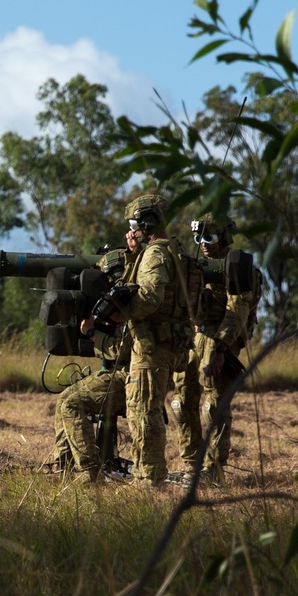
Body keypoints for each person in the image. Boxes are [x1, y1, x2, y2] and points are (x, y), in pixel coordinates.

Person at [111, 194, 193, 487]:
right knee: (146, 411)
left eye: (135, 223)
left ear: (147, 221)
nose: (132, 230)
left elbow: (150, 296)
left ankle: (150, 482)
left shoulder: (156, 254)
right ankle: (150, 477)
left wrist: (122, 314)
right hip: (166, 344)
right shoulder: (174, 251)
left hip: (151, 347)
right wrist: (134, 254)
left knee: (144, 414)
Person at [170, 214, 253, 485]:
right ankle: (191, 464)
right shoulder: (196, 265)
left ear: (224, 237)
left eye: (209, 238)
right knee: (181, 403)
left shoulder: (238, 267)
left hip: (219, 341)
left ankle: (213, 470)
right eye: (198, 238)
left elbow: (237, 310)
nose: (203, 243)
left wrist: (221, 348)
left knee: (213, 406)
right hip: (193, 340)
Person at [50, 249, 132, 483]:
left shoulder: (131, 303)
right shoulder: (118, 304)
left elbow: (120, 351)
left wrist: (93, 333)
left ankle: (88, 471)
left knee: (71, 403)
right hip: (121, 374)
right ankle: (63, 469)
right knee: (64, 400)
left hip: (130, 376)